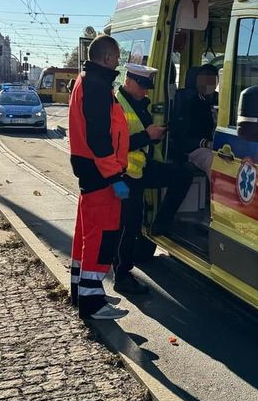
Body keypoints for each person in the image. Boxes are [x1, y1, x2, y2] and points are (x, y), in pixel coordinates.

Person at [113, 63, 193, 290]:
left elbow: (142, 136)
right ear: (128, 82)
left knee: (183, 174)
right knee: (128, 225)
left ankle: (160, 224)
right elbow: (114, 145)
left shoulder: (139, 104)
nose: (146, 91)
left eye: (147, 87)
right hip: (124, 174)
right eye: (142, 86)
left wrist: (155, 135)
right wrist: (146, 135)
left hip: (142, 169)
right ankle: (121, 276)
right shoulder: (116, 106)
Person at [68, 35, 130, 320]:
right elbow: (100, 138)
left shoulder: (87, 81)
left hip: (90, 169)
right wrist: (114, 174)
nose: (118, 62)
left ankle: (81, 289)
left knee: (87, 231)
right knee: (101, 235)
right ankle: (92, 302)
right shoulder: (97, 86)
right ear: (107, 58)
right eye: (117, 58)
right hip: (100, 172)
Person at [171, 64, 218, 173]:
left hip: (224, 147)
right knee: (213, 161)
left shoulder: (224, 102)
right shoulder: (189, 104)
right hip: (197, 149)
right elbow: (181, 137)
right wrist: (206, 143)